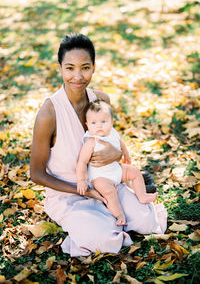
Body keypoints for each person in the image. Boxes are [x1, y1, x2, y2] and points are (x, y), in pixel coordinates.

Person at [30, 33, 167, 257]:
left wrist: (115, 153)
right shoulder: (49, 113)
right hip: (71, 193)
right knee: (103, 241)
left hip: (108, 181)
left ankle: (121, 208)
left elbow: (110, 140)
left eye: (85, 67)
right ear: (60, 68)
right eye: (70, 68)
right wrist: (85, 191)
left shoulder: (101, 100)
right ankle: (98, 221)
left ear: (94, 67)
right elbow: (36, 174)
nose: (77, 76)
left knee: (146, 222)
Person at [76, 99, 158, 226]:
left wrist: (126, 154)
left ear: (112, 122)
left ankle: (142, 195)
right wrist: (81, 180)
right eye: (94, 123)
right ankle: (119, 215)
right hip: (100, 177)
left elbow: (121, 143)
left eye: (103, 122)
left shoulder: (113, 133)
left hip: (117, 170)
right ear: (87, 125)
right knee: (110, 193)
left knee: (135, 172)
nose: (99, 126)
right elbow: (82, 162)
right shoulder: (91, 141)